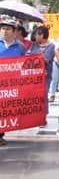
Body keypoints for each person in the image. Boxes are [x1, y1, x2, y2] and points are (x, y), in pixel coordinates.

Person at [0, 16, 26, 145]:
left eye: (8, 29)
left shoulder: (20, 47)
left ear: (14, 32)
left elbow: (24, 64)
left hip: (11, 86)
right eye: (2, 28)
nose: (4, 31)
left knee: (5, 110)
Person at [27, 26, 56, 117]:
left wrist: (35, 57)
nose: (35, 37)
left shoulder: (51, 46)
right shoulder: (33, 45)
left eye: (36, 35)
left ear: (42, 35)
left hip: (45, 75)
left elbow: (46, 58)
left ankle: (43, 114)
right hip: (33, 74)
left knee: (43, 93)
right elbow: (27, 55)